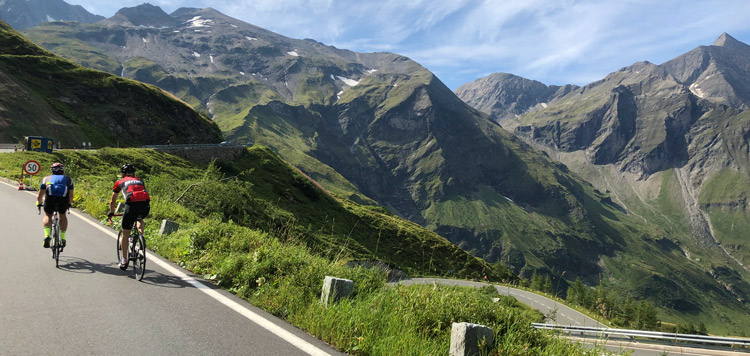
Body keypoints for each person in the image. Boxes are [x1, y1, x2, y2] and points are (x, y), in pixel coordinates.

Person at [108, 164, 150, 270]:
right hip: (145, 206)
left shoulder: (120, 182)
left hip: (131, 206)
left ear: (123, 173)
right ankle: (141, 236)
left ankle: (124, 261)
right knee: (139, 218)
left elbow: (113, 200)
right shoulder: (140, 180)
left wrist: (112, 212)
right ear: (133, 173)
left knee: (125, 234)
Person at [36, 163, 74, 250]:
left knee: (48, 215)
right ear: (63, 170)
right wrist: (69, 203)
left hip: (50, 199)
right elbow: (71, 195)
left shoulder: (46, 179)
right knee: (62, 215)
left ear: (51, 171)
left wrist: (39, 202)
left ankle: (47, 235)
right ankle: (63, 238)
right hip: (63, 200)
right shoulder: (69, 179)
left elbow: (40, 194)